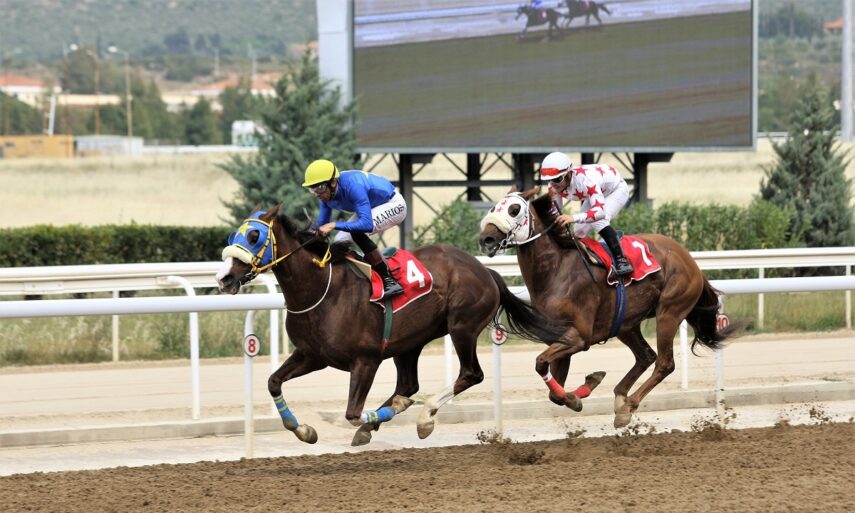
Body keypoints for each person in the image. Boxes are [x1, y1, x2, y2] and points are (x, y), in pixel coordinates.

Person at [303, 159, 406, 298]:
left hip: (393, 205)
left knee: (357, 232)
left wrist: (334, 225)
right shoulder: (326, 196)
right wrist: (309, 234)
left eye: (320, 188)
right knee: (339, 241)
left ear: (332, 182)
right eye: (313, 189)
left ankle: (389, 280)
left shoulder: (353, 186)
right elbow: (321, 225)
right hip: (372, 207)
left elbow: (366, 224)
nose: (317, 194)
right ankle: (359, 278)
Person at [540, 151, 634, 276]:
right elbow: (556, 213)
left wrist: (573, 217)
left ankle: (622, 261)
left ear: (568, 173)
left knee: (599, 221)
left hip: (616, 190)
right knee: (578, 231)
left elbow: (600, 212)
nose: (554, 184)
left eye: (557, 179)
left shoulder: (587, 181)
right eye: (549, 180)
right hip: (598, 193)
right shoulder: (553, 186)